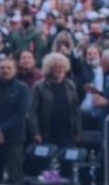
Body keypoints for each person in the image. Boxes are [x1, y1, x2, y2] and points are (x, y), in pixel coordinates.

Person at [29, 53, 81, 146]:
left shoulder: (70, 85)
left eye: (63, 67)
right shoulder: (39, 87)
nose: (61, 70)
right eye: (57, 67)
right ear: (50, 69)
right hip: (46, 133)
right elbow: (32, 112)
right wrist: (35, 133)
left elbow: (75, 110)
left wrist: (77, 130)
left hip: (67, 133)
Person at [0, 57, 30, 185]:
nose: (5, 70)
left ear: (15, 70)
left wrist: (2, 129)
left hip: (14, 138)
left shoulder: (22, 88)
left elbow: (21, 114)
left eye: (8, 68)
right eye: (2, 68)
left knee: (15, 175)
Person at [76, 45, 105, 131]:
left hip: (101, 110)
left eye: (94, 54)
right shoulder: (81, 69)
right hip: (83, 111)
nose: (92, 56)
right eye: (89, 54)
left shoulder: (105, 70)